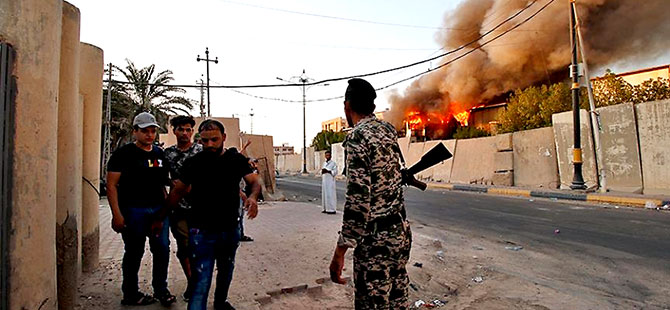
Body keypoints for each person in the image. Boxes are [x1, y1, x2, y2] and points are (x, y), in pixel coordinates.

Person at [329, 79, 412, 309]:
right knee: (398, 300)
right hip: (400, 234)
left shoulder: (357, 138)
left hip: (375, 244)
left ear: (347, 107)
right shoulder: (387, 131)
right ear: (372, 106)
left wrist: (340, 251)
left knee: (372, 303)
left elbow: (358, 202)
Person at [165, 119, 261, 310]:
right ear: (200, 139)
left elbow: (254, 181)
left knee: (226, 272)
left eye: (214, 140)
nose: (209, 145)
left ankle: (220, 303)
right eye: (205, 140)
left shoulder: (235, 160)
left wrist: (252, 197)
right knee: (200, 282)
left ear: (224, 138)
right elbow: (178, 192)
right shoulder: (193, 163)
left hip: (229, 230)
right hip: (201, 232)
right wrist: (163, 217)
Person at [106, 112, 176, 306]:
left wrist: (164, 211)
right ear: (135, 131)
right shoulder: (123, 154)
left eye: (153, 131)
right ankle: (130, 293)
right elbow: (111, 185)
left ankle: (161, 290)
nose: (150, 135)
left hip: (157, 211)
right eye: (145, 131)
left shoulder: (159, 154)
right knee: (134, 252)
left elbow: (163, 183)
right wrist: (116, 215)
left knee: (162, 250)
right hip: (133, 211)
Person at [164, 115, 203, 301]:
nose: (185, 133)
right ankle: (192, 282)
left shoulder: (201, 152)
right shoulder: (168, 154)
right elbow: (163, 178)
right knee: (184, 247)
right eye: (181, 129)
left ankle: (198, 281)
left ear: (192, 132)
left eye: (188, 129)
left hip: (201, 208)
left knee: (200, 247)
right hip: (178, 208)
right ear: (174, 131)